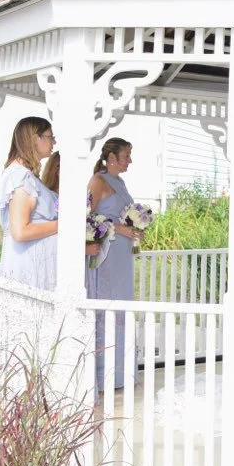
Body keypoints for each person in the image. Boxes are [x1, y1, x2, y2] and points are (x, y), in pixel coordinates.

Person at [87, 138, 142, 391]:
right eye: (126, 155)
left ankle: (121, 373)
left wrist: (134, 228)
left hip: (122, 256)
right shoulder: (98, 181)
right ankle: (101, 375)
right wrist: (118, 228)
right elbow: (85, 217)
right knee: (107, 308)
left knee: (123, 308)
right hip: (107, 256)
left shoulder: (120, 182)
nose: (130, 160)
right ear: (111, 156)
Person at [0, 117, 58, 290]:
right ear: (34, 139)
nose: (54, 141)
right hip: (29, 265)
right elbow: (20, 231)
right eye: (50, 136)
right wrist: (62, 225)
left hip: (37, 261)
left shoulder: (27, 175)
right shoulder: (19, 177)